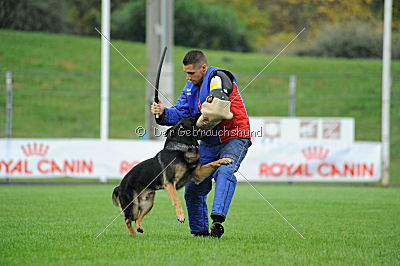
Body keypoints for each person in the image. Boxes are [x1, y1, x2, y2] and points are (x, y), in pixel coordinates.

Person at [151, 50, 251, 238]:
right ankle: (200, 232)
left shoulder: (218, 76)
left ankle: (217, 217)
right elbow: (180, 114)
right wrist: (163, 112)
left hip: (235, 136)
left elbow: (222, 89)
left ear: (203, 68)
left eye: (191, 73)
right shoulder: (190, 88)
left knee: (225, 170)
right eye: (186, 73)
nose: (188, 78)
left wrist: (214, 99)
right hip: (209, 142)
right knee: (194, 186)